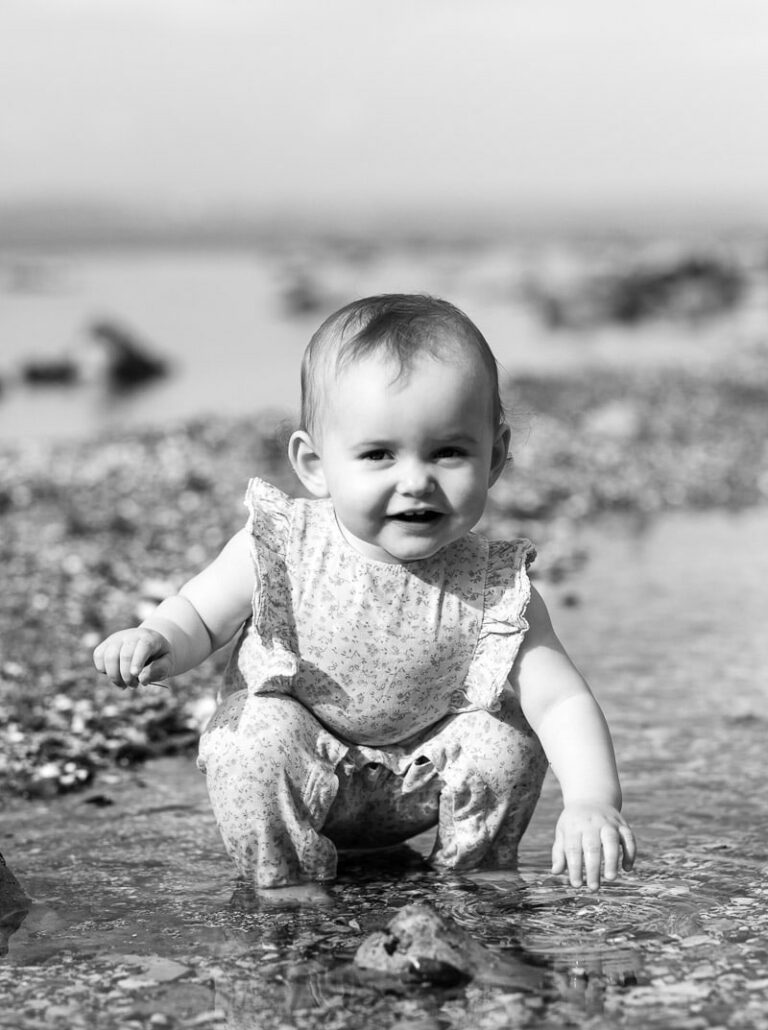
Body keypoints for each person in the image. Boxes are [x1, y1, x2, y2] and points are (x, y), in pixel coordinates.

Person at [94, 294, 636, 896]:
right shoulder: (283, 545)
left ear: (496, 457)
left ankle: (477, 878)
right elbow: (199, 614)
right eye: (379, 454)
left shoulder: (495, 585)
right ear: (315, 463)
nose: (417, 480)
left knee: (507, 739)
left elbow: (559, 702)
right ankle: (287, 887)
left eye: (449, 452)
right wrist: (158, 640)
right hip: (302, 768)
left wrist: (592, 801)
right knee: (253, 734)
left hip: (419, 782)